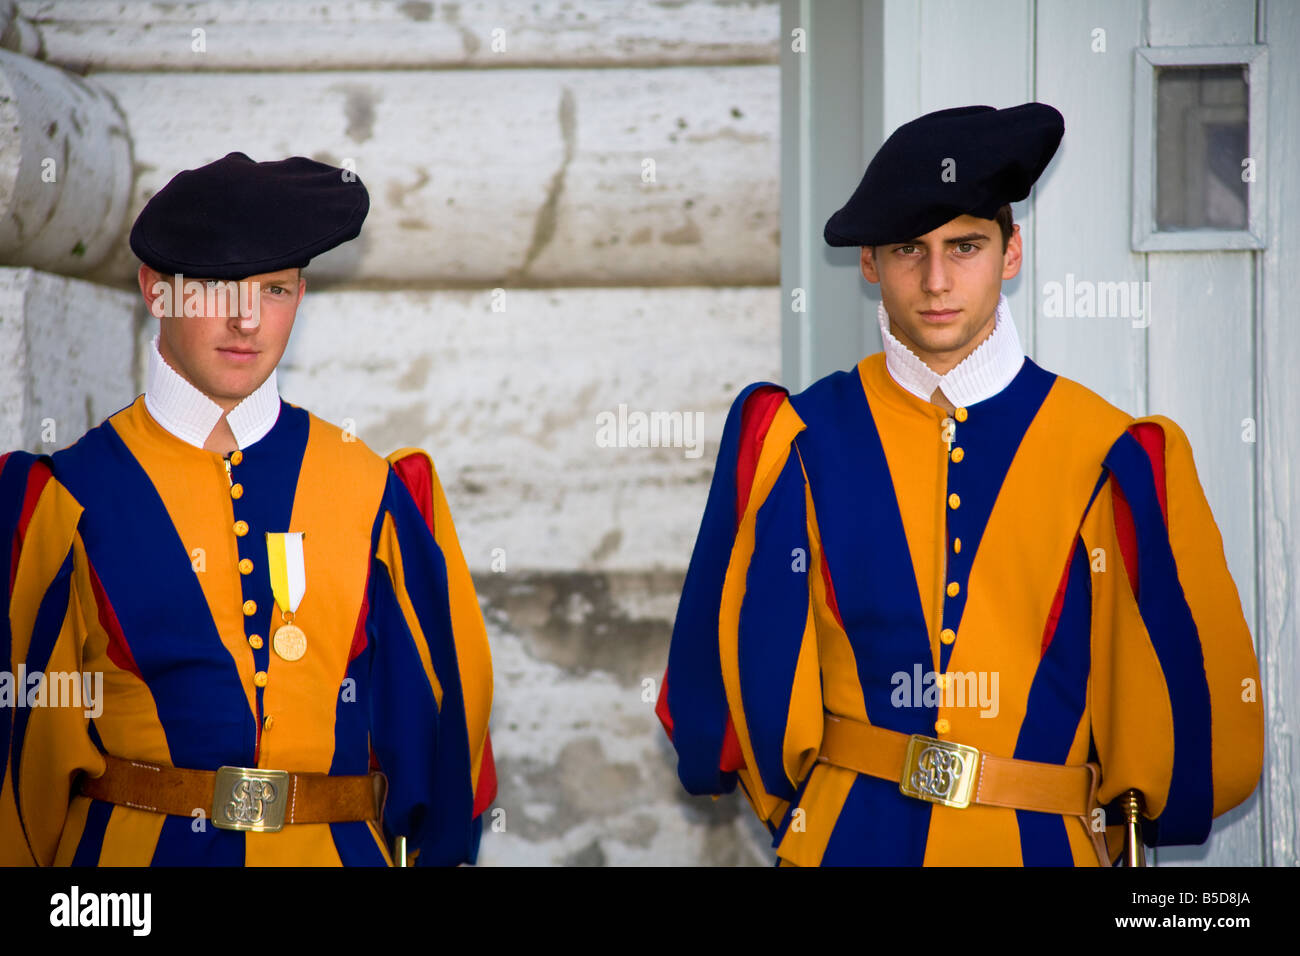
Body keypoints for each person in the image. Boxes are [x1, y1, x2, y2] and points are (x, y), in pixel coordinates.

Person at [656, 104, 1264, 866]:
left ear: (1012, 253)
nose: (936, 280)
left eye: (965, 246)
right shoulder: (796, 441)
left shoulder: (1111, 453)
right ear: (870, 263)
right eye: (909, 249)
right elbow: (726, 682)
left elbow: (1193, 723)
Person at [0, 152, 496, 866]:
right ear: (156, 291)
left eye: (274, 290)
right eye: (214, 288)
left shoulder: (375, 491)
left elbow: (447, 746)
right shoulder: (65, 499)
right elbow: (21, 768)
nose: (245, 320)